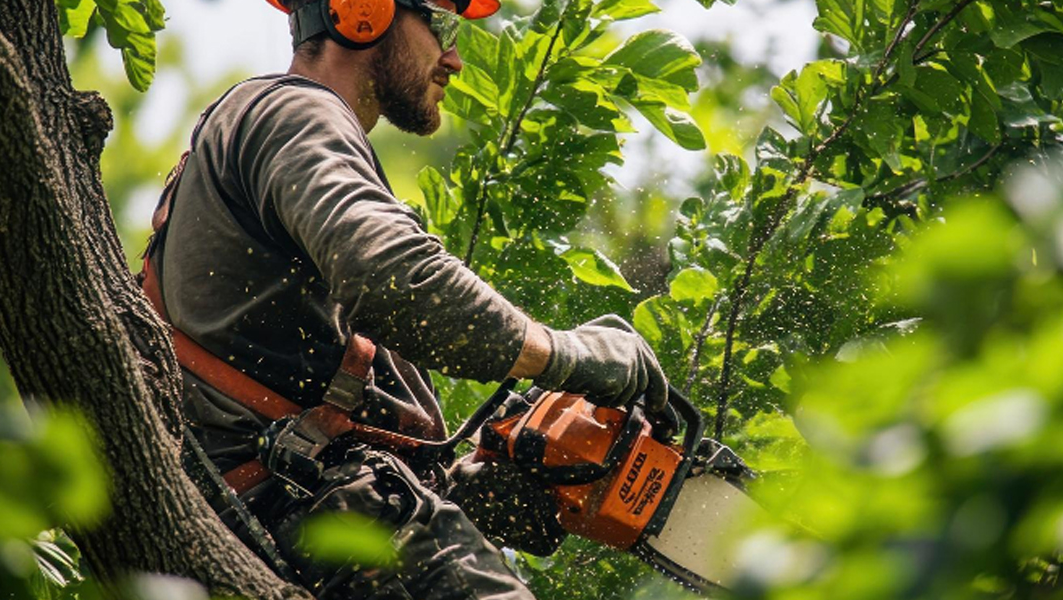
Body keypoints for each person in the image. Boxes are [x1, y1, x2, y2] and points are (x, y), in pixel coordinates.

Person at [137, 0, 671, 597]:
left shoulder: (266, 133)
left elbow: (309, 379)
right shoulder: (296, 112)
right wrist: (566, 354)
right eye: (438, 26)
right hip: (319, 517)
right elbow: (395, 277)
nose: (455, 59)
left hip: (288, 521)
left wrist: (460, 485)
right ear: (364, 12)